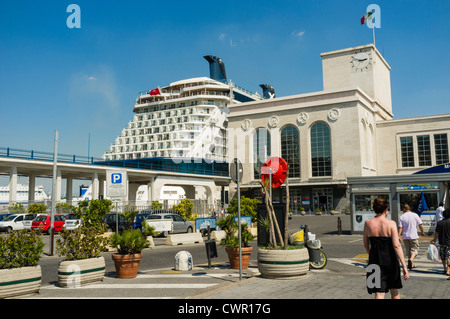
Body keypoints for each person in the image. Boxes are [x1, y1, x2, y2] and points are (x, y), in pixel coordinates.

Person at [363, 198, 409, 299]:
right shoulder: (391, 223)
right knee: (394, 290)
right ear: (385, 210)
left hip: (374, 260)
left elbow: (366, 244)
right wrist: (404, 266)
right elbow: (397, 245)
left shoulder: (367, 223)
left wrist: (371, 255)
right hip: (390, 260)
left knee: (378, 292)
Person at [398, 204, 425, 270]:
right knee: (415, 249)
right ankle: (411, 260)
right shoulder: (415, 215)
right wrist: (422, 232)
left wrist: (398, 236)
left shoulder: (401, 217)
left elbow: (400, 228)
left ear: (404, 209)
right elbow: (420, 225)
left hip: (405, 236)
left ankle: (411, 264)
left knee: (408, 250)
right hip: (413, 235)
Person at [431, 208, 450, 276]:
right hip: (449, 243)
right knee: (449, 256)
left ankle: (444, 268)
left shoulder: (439, 223)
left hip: (441, 242)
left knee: (443, 256)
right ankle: (448, 270)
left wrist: (434, 240)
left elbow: (437, 233)